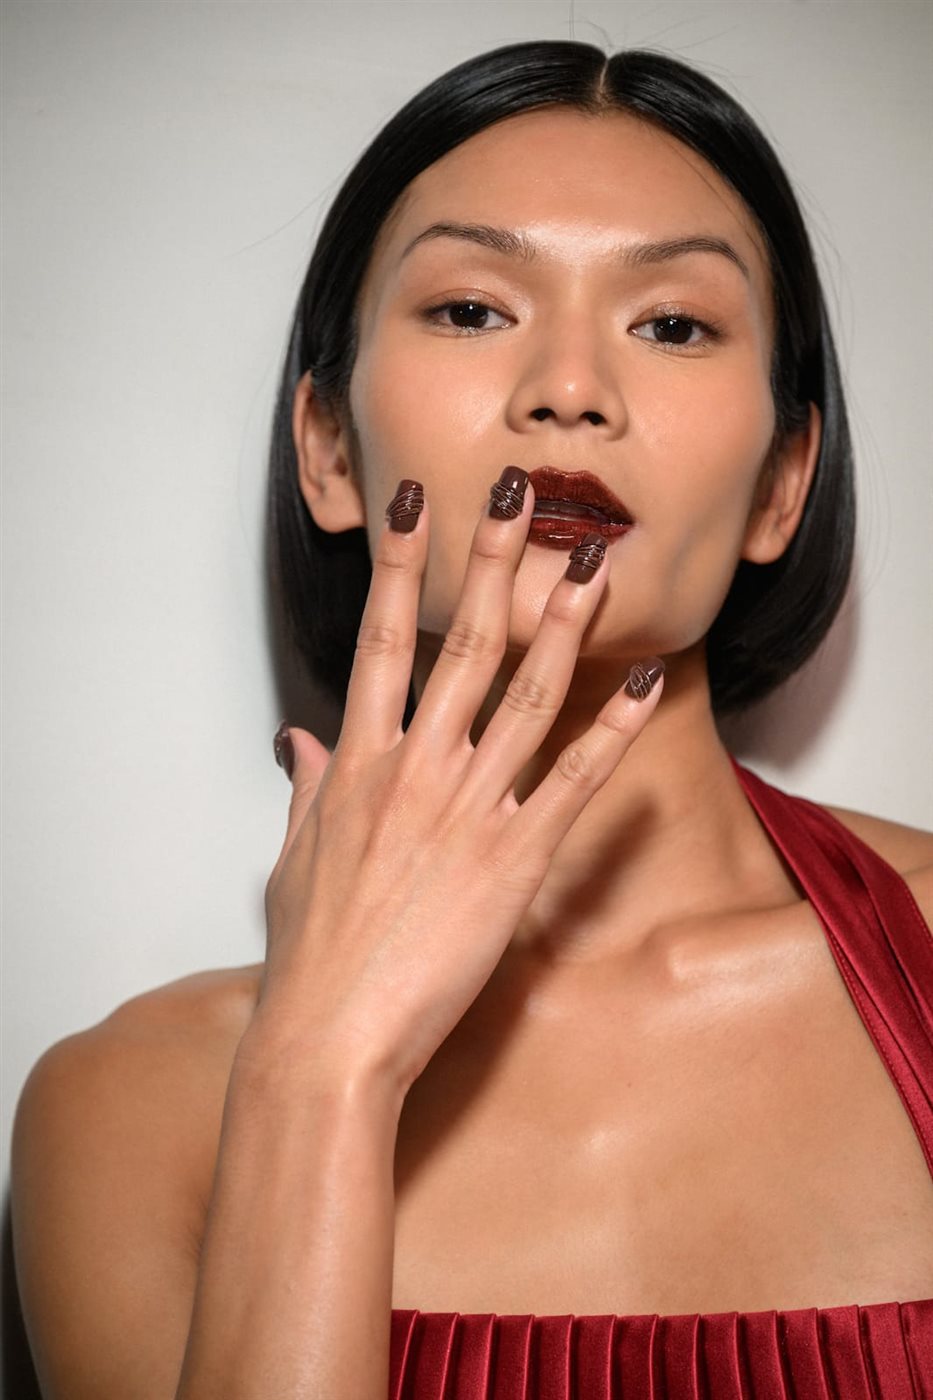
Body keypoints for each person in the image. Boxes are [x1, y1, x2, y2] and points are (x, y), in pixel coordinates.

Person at [10, 40, 933, 1400]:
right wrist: (322, 1071)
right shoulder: (131, 1106)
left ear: (782, 484)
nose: (569, 386)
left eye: (672, 325)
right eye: (469, 309)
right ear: (329, 448)